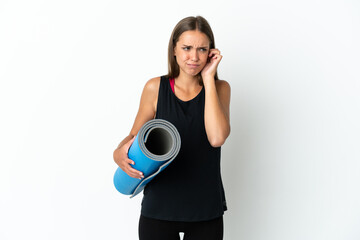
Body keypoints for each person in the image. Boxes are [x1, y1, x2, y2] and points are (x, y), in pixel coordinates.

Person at [113, 16, 231, 240]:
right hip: (159, 207)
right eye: (187, 48)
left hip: (205, 208)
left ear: (210, 53)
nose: (194, 57)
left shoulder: (220, 88)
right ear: (174, 49)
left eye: (202, 49)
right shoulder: (155, 88)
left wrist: (208, 78)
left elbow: (216, 138)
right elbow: (133, 136)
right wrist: (118, 153)